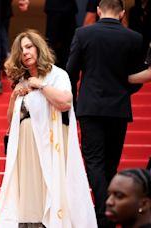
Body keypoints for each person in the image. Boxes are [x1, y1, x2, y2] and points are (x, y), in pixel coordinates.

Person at [0, 29, 97, 228]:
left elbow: (66, 102)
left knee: (48, 184)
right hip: (25, 146)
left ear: (38, 48)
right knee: (28, 188)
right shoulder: (21, 80)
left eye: (29, 47)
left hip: (49, 146)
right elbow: (12, 120)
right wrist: (14, 96)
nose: (25, 52)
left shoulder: (57, 74)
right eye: (21, 49)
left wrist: (40, 86)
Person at [66, 0, 147, 226]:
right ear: (122, 13)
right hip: (119, 109)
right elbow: (136, 78)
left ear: (99, 11)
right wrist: (122, 89)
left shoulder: (83, 34)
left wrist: (72, 103)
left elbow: (70, 73)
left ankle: (103, 214)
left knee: (94, 162)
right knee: (111, 163)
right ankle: (109, 212)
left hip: (90, 108)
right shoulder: (134, 38)